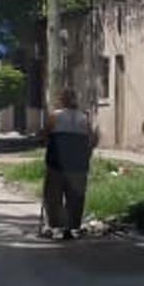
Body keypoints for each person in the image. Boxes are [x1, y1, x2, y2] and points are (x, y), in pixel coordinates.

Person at [42, 88, 98, 240]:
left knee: (53, 196)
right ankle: (70, 228)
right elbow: (92, 139)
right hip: (78, 164)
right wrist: (87, 154)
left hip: (57, 163)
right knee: (75, 197)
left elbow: (45, 134)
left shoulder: (55, 116)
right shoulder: (84, 118)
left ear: (61, 101)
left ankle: (55, 226)